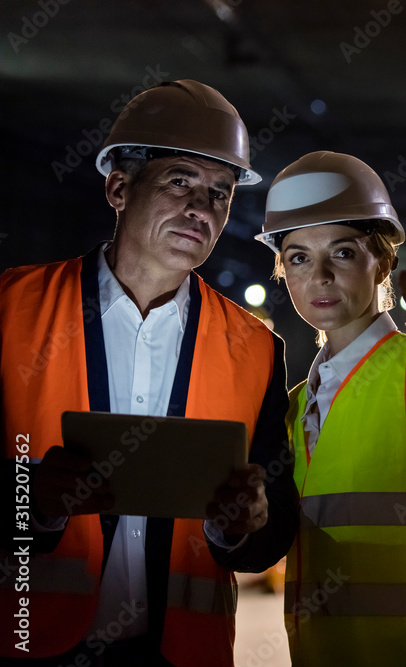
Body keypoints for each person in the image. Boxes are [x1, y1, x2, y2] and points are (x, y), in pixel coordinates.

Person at [0, 80, 299, 666]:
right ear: (118, 187)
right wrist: (24, 499)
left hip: (180, 654)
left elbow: (273, 523)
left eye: (220, 193)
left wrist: (243, 527)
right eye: (180, 181)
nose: (201, 209)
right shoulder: (11, 311)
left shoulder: (256, 348)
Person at [256, 151, 406, 665]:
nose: (319, 275)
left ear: (383, 261)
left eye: (342, 252)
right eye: (298, 257)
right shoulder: (297, 405)